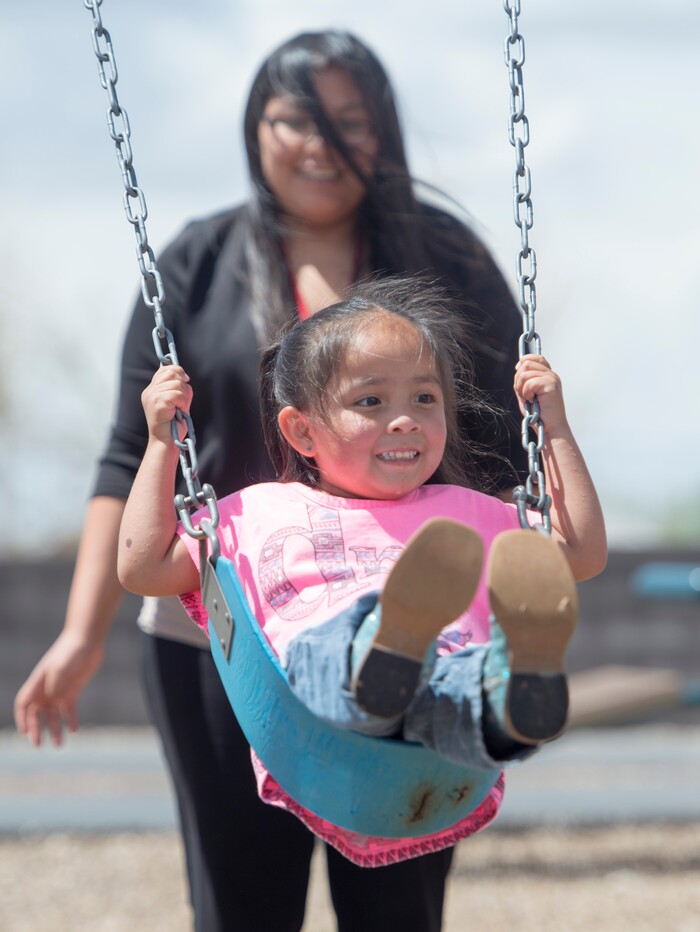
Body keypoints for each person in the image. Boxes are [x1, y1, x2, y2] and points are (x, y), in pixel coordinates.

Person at [16, 29, 544, 932]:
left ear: (384, 132)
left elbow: (507, 433)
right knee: (242, 904)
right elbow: (123, 455)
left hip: (403, 629)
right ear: (256, 127)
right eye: (295, 117)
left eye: (350, 119)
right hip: (218, 630)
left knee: (398, 903)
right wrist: (80, 632)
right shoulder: (199, 262)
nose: (319, 143)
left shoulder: (444, 259)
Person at [117, 278, 607, 867]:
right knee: (337, 651)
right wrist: (159, 444)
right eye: (371, 402)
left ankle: (510, 696)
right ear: (302, 431)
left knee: (460, 687)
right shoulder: (254, 512)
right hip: (313, 709)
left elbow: (579, 553)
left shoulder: (469, 513)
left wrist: (552, 427)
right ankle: (384, 651)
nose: (405, 420)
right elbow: (143, 566)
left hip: (435, 726)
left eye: (424, 399)